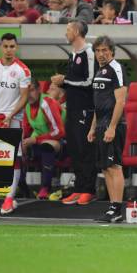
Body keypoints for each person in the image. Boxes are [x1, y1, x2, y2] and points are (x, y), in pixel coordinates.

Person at [0, 33, 31, 215]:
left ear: (16, 47)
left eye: (12, 46)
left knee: (13, 159)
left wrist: (10, 115)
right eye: (6, 46)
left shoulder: (23, 70)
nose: (9, 50)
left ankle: (9, 198)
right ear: (0, 47)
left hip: (13, 120)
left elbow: (24, 96)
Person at [51, 20, 96, 206]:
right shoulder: (73, 54)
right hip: (72, 108)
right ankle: (78, 188)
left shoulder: (89, 52)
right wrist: (62, 87)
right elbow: (74, 83)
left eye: (68, 30)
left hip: (86, 109)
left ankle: (89, 190)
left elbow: (90, 81)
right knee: (75, 150)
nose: (66, 33)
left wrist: (66, 80)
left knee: (86, 150)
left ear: (77, 31)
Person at [87, 36, 127, 222]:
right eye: (98, 51)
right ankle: (112, 207)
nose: (101, 54)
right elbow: (98, 103)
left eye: (104, 50)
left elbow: (120, 101)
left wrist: (112, 127)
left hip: (114, 124)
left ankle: (117, 208)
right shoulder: (99, 71)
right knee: (105, 167)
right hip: (101, 123)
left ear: (111, 51)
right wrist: (93, 127)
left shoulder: (116, 69)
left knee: (114, 166)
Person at [22, 80, 65, 200]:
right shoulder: (26, 105)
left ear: (39, 90)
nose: (29, 94)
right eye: (26, 91)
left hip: (62, 142)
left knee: (46, 145)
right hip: (39, 141)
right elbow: (25, 130)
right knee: (18, 147)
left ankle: (46, 188)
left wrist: (35, 140)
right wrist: (23, 142)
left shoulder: (47, 103)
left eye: (32, 90)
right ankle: (22, 189)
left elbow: (59, 132)